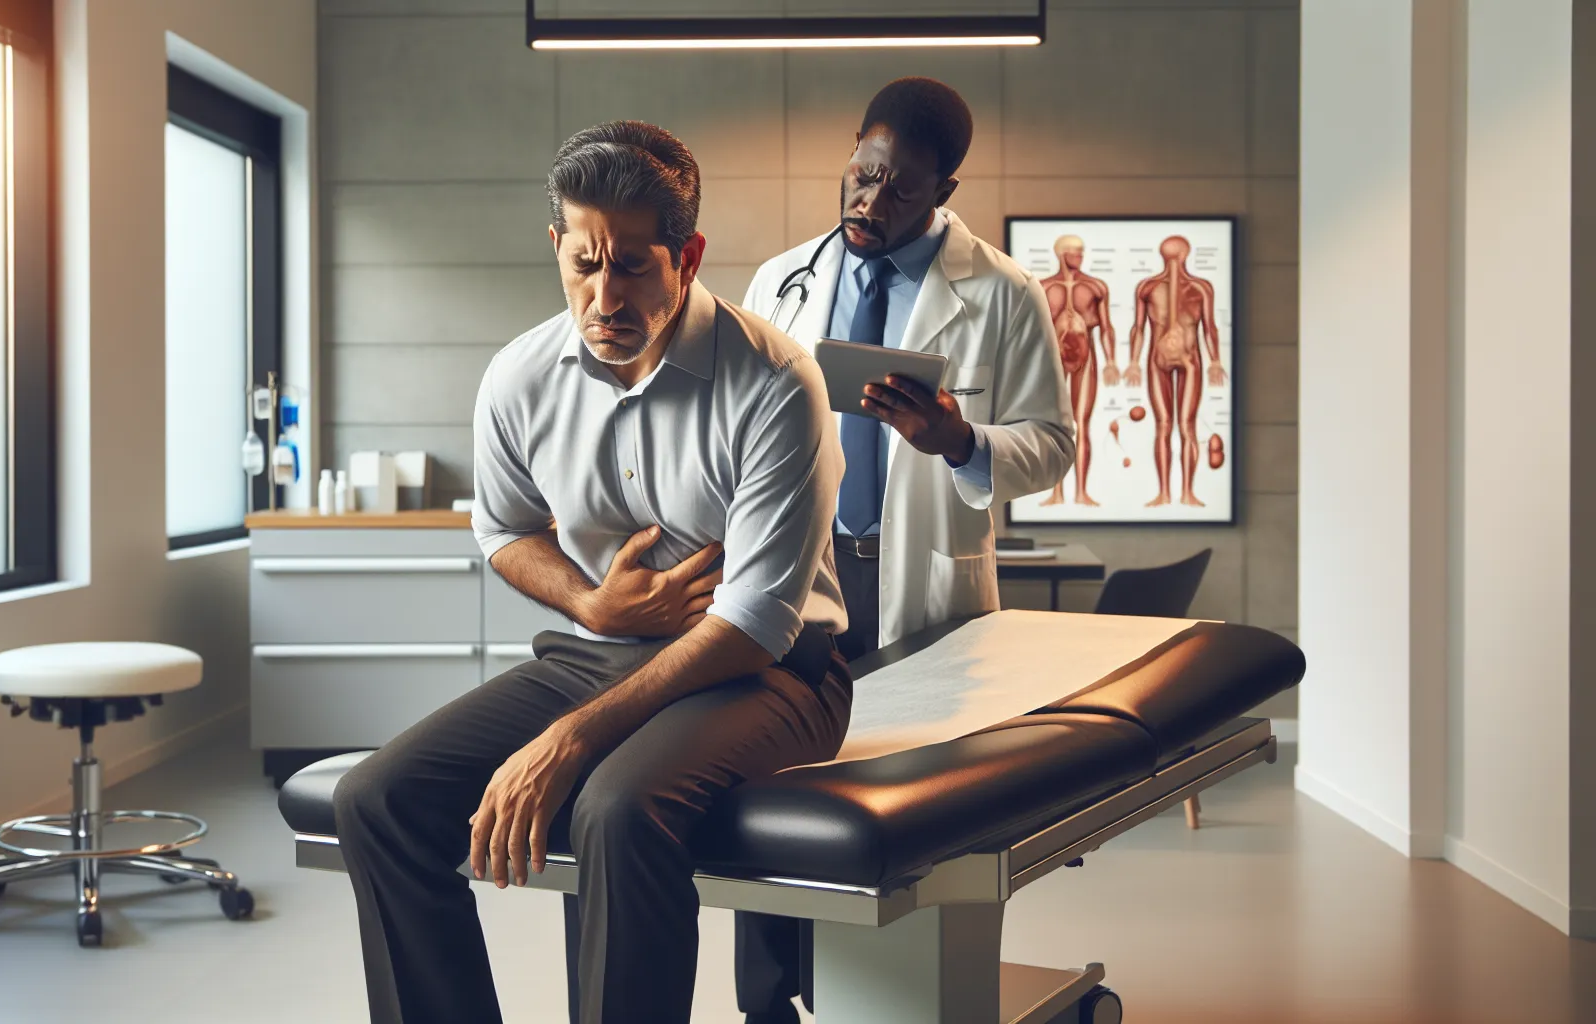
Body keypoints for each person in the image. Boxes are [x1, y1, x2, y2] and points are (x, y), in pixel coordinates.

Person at [330, 120, 851, 1024]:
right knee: (376, 800)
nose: (604, 295)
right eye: (583, 263)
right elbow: (502, 528)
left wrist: (572, 739)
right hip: (596, 655)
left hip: (772, 675)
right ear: (557, 248)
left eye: (634, 267)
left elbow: (761, 620)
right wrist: (589, 603)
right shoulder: (519, 375)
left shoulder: (776, 382)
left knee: (615, 810)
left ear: (686, 255)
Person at [738, 76, 1076, 1024]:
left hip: (920, 577)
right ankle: (769, 1002)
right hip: (801, 570)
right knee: (767, 772)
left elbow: (1052, 442)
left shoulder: (1003, 294)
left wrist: (959, 443)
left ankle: (895, 999)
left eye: (900, 189)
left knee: (913, 796)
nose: (870, 202)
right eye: (863, 173)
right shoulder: (782, 281)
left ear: (945, 189)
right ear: (853, 151)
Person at [1124, 234, 1225, 507]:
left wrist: (1216, 361)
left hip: (1188, 358)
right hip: (1163, 358)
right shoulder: (1148, 287)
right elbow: (1139, 327)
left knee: (1180, 426)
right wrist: (1132, 361)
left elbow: (1209, 327)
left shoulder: (1199, 288)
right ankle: (1168, 492)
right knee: (1169, 426)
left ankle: (1184, 492)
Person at [1040, 234, 1117, 507]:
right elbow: (1035, 331)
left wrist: (1111, 361)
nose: (1081, 257)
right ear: (1062, 253)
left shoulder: (1095, 287)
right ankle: (1057, 491)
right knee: (1056, 425)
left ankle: (1081, 491)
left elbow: (1107, 326)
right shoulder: (1043, 287)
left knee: (1082, 424)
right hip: (1054, 359)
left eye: (1082, 252)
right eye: (1076, 252)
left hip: (1087, 357)